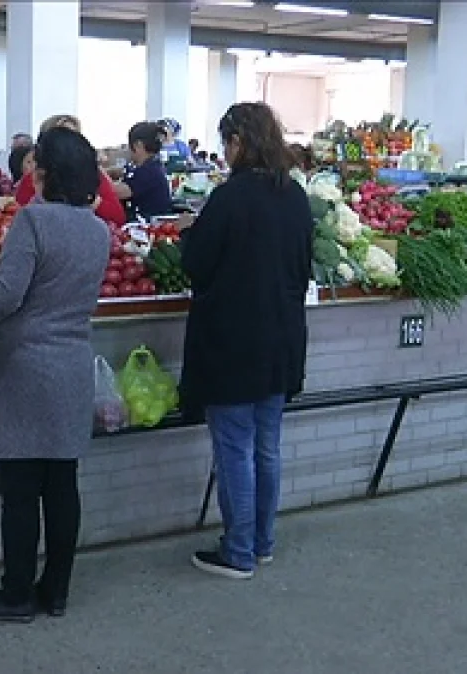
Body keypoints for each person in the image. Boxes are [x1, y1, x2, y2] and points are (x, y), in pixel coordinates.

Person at [0, 126, 111, 622]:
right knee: (62, 484)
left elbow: (5, 295)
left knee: (20, 488)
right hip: (72, 365)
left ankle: (17, 593)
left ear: (44, 172)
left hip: (27, 366)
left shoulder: (33, 222)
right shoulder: (97, 229)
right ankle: (57, 591)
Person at [178, 102, 313, 580]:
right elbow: (304, 266)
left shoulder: (230, 198)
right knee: (267, 447)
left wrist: (186, 237)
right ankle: (261, 542)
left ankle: (237, 552)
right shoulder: (295, 196)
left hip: (233, 342)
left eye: (227, 142)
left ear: (238, 142)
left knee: (234, 447)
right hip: (281, 340)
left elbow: (195, 264)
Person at [14, 115, 126, 226]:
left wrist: (90, 199)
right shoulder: (32, 180)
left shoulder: (93, 177)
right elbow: (18, 217)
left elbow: (118, 217)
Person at [112, 122, 173, 221]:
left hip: (147, 224)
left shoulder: (150, 171)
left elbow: (118, 192)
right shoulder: (148, 165)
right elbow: (122, 172)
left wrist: (95, 172)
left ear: (138, 145)